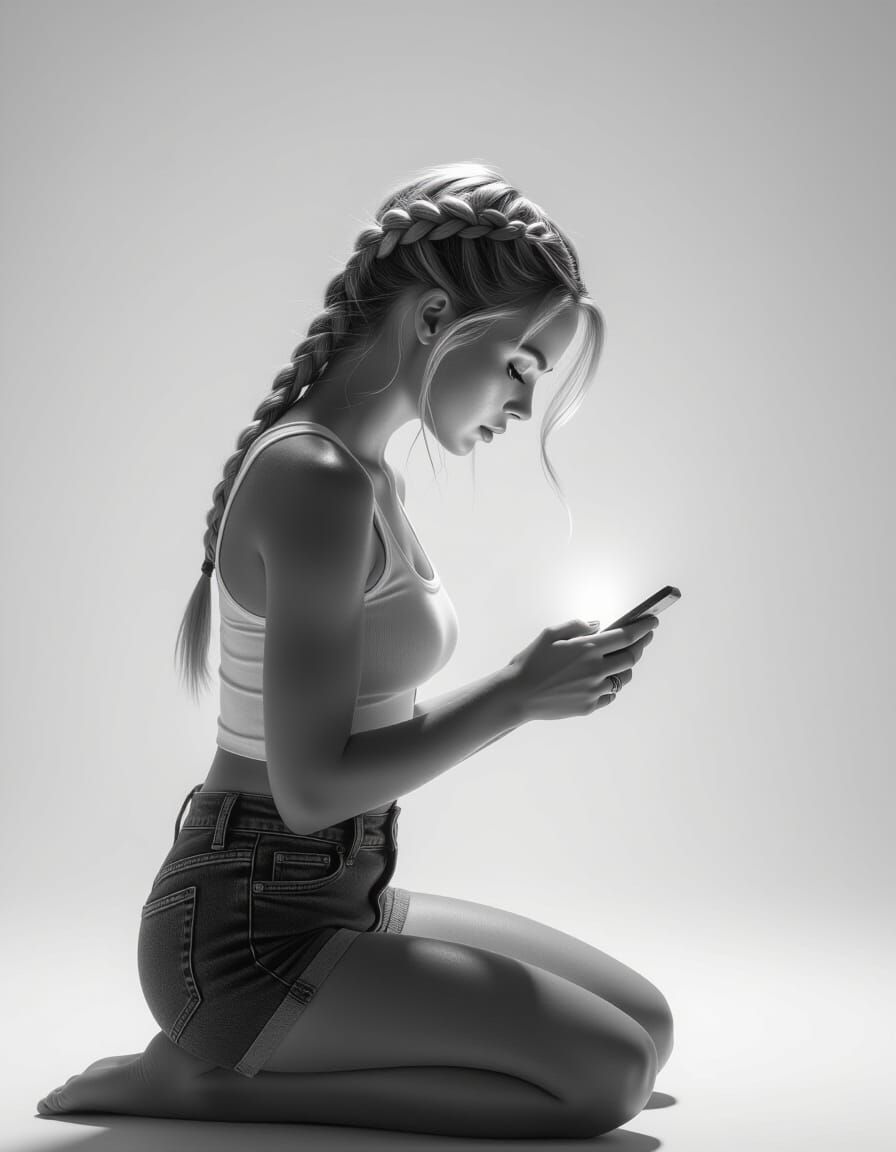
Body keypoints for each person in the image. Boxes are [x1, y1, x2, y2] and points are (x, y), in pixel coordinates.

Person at [36, 161, 671, 1139]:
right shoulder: (313, 480)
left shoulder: (365, 475)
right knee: (606, 1082)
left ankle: (274, 1047)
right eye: (517, 364)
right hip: (247, 929)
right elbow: (308, 791)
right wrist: (514, 695)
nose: (517, 403)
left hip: (340, 887)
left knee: (646, 1025)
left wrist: (535, 690)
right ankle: (203, 1082)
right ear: (429, 320)